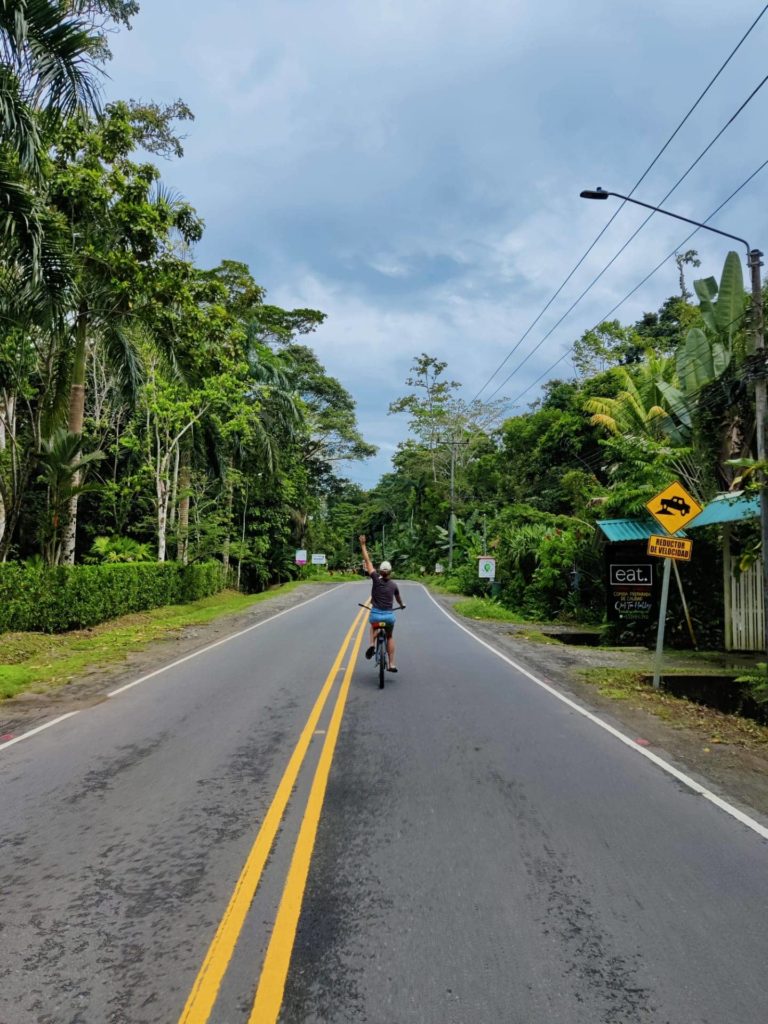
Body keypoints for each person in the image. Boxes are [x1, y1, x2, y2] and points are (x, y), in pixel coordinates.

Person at [359, 534, 405, 671]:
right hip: (389, 617)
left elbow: (367, 560)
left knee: (373, 626)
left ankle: (372, 643)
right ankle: (391, 664)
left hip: (376, 615)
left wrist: (363, 545)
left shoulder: (375, 579)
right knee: (389, 636)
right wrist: (402, 605)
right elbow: (399, 599)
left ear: (379, 571)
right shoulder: (394, 585)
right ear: (390, 572)